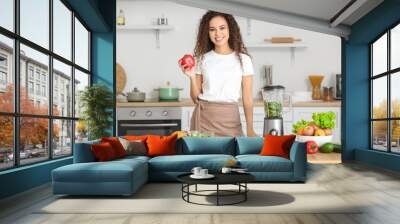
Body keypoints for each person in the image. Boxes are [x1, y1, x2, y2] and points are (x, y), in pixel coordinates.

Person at [179, 10, 256, 137]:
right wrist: (192, 77)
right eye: (212, 29)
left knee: (231, 156)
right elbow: (195, 98)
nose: (218, 33)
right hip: (204, 120)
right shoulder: (201, 59)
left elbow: (247, 99)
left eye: (222, 28)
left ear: (230, 29)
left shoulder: (244, 60)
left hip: (231, 120)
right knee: (204, 157)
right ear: (207, 33)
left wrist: (250, 128)